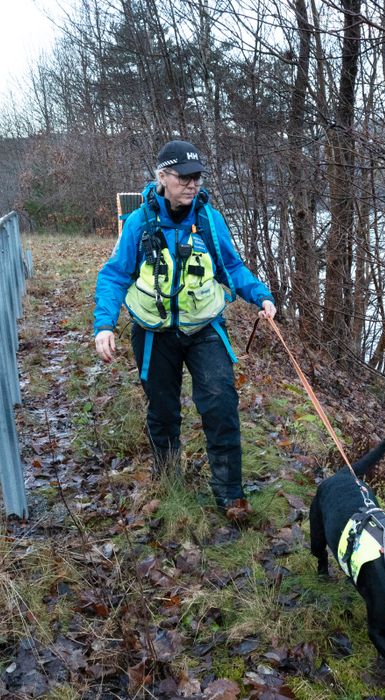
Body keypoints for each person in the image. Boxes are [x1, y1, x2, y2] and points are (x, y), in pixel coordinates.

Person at [93, 140, 277, 520]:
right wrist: (104, 325)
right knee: (163, 411)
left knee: (221, 402)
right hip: (153, 333)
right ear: (162, 177)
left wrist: (260, 295)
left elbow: (232, 267)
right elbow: (114, 275)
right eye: (184, 177)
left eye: (198, 177)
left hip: (203, 327)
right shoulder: (138, 223)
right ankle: (169, 483)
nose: (193, 184)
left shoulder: (209, 220)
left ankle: (230, 495)